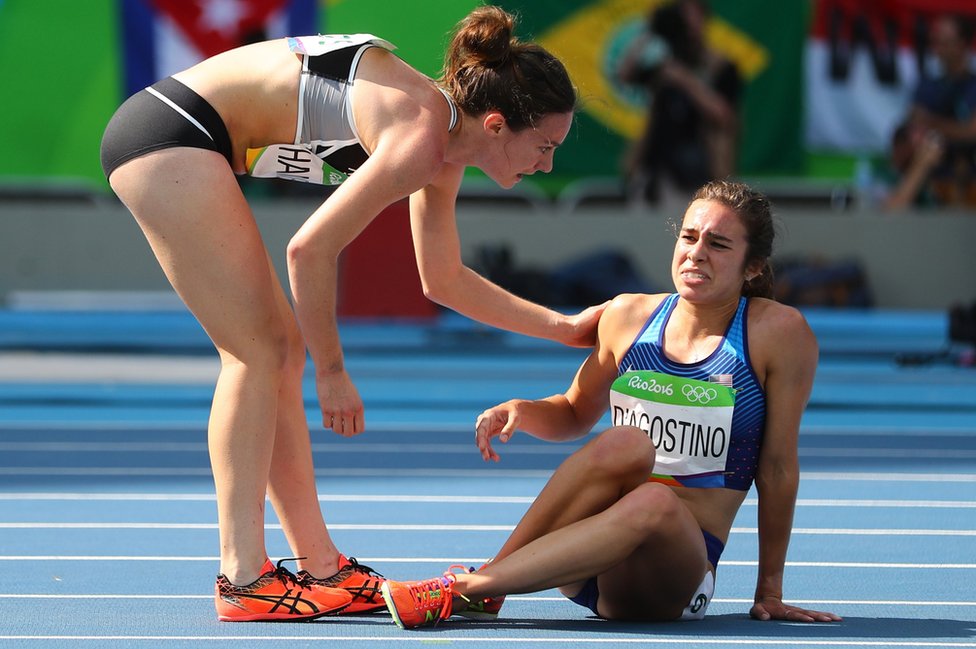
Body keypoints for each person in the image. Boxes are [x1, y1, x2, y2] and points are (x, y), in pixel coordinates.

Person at [99, 6, 606, 622]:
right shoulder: (421, 135)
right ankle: (241, 578)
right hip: (168, 134)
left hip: (180, 136)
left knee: (274, 351)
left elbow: (442, 279)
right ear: (496, 125)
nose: (548, 165)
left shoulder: (443, 143)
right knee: (258, 353)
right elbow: (309, 249)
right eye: (546, 145)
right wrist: (332, 371)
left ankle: (321, 568)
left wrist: (565, 327)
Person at [380, 180, 843, 628]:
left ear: (753, 266)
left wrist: (770, 591)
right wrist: (523, 409)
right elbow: (574, 412)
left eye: (719, 244)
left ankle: (466, 588)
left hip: (673, 574)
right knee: (624, 443)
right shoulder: (627, 315)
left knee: (655, 501)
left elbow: (778, 467)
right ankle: (487, 583)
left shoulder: (778, 334)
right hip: (587, 559)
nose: (697, 252)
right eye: (689, 236)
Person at [617, 0, 741, 204]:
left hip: (698, 169)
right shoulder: (664, 64)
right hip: (654, 166)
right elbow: (625, 75)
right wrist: (651, 31)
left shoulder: (720, 67)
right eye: (682, 19)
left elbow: (723, 114)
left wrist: (684, 80)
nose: (688, 27)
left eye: (692, 19)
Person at [906, 13, 976, 207]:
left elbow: (972, 132)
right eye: (935, 42)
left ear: (962, 44)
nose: (938, 50)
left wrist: (931, 123)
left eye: (945, 43)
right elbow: (914, 128)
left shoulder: (973, 85)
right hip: (931, 181)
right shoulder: (927, 84)